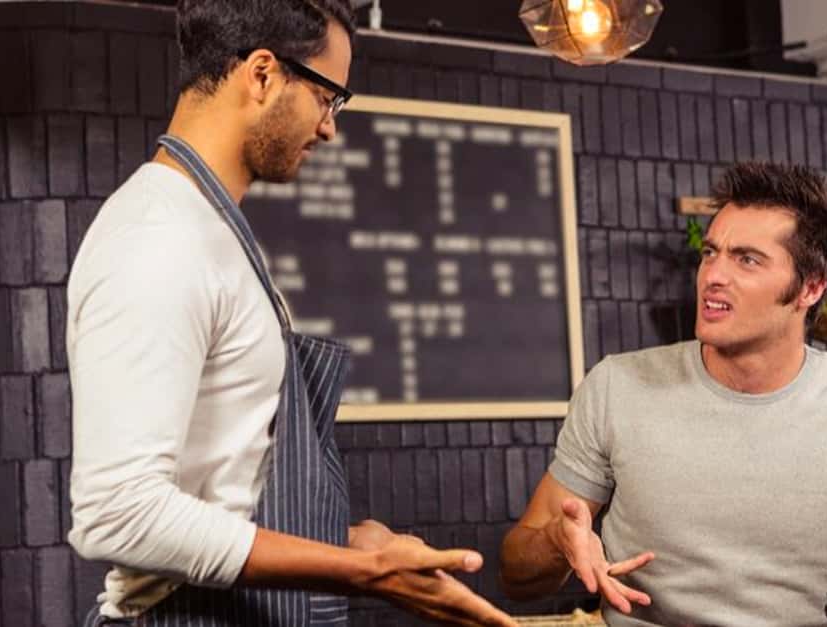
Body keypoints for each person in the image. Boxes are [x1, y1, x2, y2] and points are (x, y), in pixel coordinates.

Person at [65, 1, 515, 625]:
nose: (329, 128)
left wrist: (348, 543)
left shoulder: (209, 229)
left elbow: (226, 492)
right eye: (327, 98)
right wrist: (366, 572)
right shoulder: (158, 238)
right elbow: (118, 512)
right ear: (262, 74)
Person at [498, 162, 827, 626]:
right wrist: (558, 542)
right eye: (711, 253)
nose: (713, 275)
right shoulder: (617, 386)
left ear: (811, 288)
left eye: (747, 260)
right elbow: (517, 574)